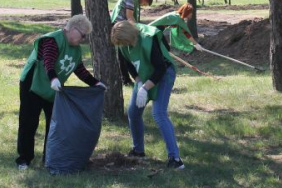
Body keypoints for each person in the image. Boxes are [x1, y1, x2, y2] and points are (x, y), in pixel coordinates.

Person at [15, 14, 106, 170]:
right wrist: (53, 79)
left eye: (85, 37)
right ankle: (24, 159)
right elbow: (48, 61)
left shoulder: (76, 50)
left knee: (53, 125)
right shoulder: (52, 39)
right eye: (82, 35)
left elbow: (80, 70)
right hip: (33, 83)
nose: (83, 39)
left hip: (52, 88)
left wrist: (96, 83)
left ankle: (49, 157)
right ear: (72, 29)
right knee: (29, 122)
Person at [111, 21, 184, 169]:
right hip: (144, 76)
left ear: (131, 35)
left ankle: (175, 159)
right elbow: (129, 65)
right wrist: (138, 82)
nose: (124, 46)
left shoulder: (148, 39)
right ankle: (138, 151)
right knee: (133, 112)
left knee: (159, 113)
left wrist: (145, 88)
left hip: (164, 75)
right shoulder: (123, 44)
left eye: (126, 42)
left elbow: (160, 68)